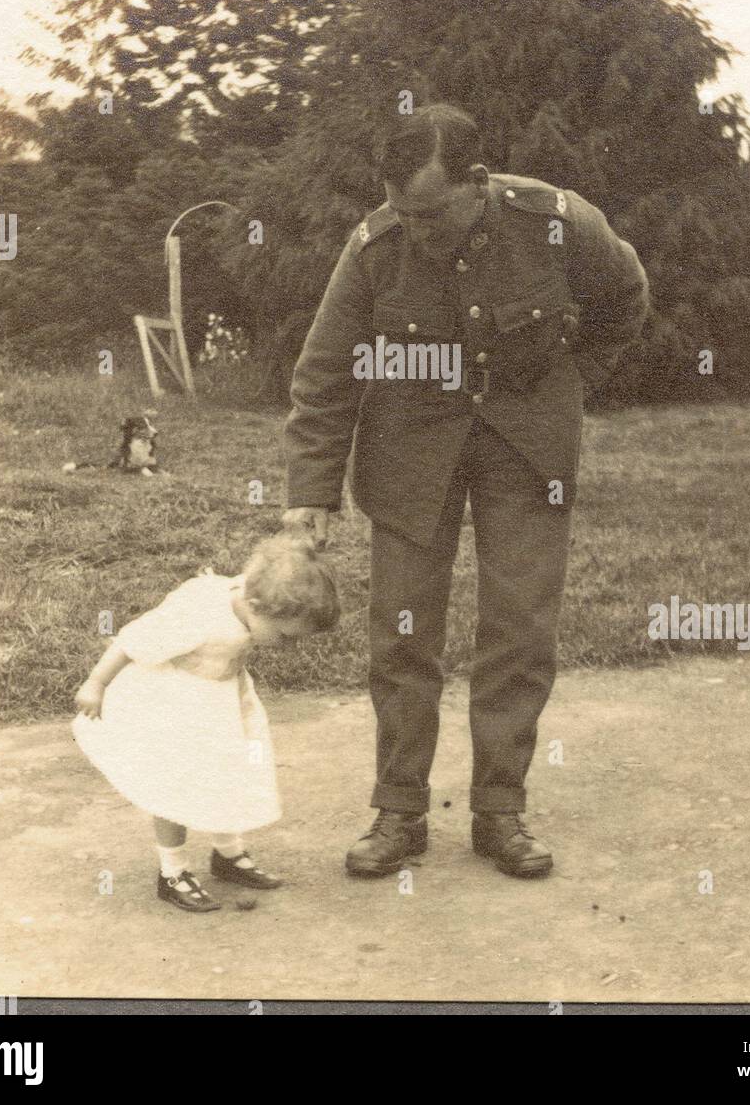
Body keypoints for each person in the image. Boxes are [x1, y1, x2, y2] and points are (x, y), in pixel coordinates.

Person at [283, 103, 649, 879]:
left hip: (527, 450)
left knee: (519, 629)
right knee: (403, 636)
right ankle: (399, 810)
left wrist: (577, 380)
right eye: (400, 209)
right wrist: (311, 489)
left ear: (478, 182)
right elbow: (325, 371)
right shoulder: (375, 245)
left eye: (428, 210)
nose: (413, 226)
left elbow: (626, 295)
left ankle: (500, 812)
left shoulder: (557, 222)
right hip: (409, 454)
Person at [72, 533, 339, 911]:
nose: (290, 648)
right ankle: (173, 871)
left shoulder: (252, 606)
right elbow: (134, 640)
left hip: (220, 705)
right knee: (172, 786)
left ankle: (227, 854)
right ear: (255, 603)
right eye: (285, 637)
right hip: (174, 709)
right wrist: (96, 683)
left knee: (227, 774)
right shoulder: (201, 612)